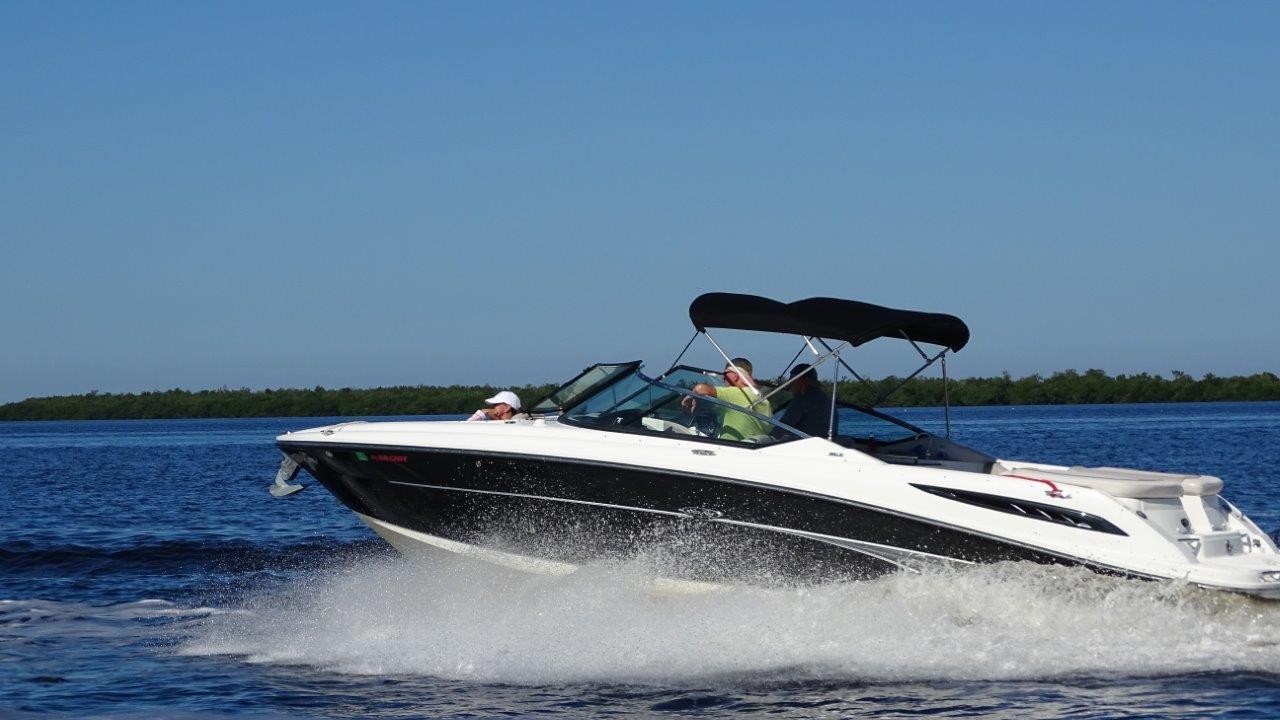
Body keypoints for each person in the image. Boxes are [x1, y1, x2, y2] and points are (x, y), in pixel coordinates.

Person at [685, 358, 773, 441]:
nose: (724, 381)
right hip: (750, 448)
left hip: (730, 449)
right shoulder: (764, 402)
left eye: (725, 376)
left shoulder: (738, 393)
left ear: (735, 376)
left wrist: (692, 396)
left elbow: (700, 389)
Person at [777, 363, 832, 438]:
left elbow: (779, 429)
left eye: (792, 380)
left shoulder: (801, 401)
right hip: (824, 442)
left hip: (806, 443)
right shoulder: (827, 400)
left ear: (801, 381)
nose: (790, 385)